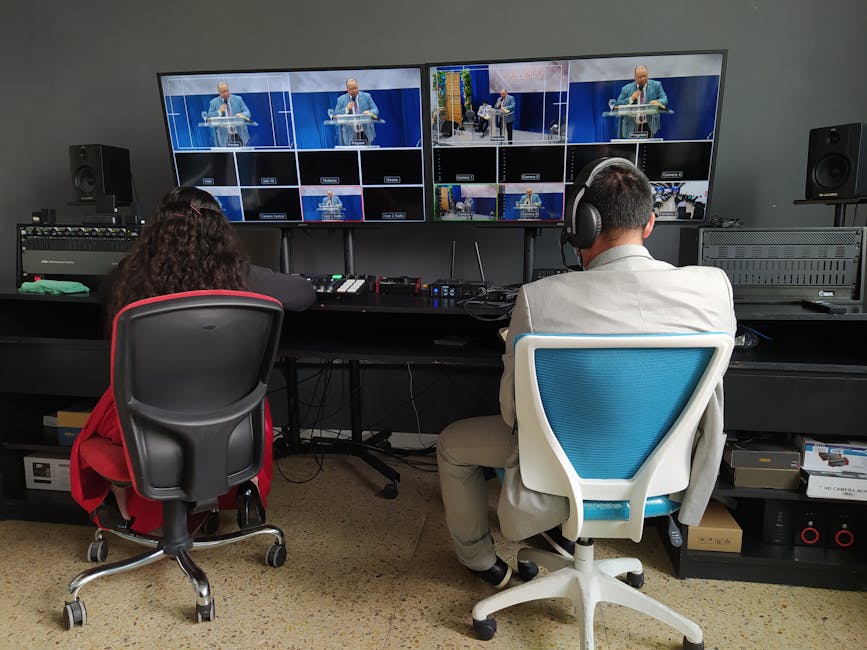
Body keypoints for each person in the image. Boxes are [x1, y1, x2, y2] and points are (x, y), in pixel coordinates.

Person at [436, 159, 736, 588]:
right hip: (660, 470)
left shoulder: (538, 299)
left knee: (451, 444)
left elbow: (511, 412)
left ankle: (484, 563)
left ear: (581, 227)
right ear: (650, 224)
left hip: (555, 467)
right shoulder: (713, 289)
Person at [73, 187, 315, 534]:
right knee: (249, 392)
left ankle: (123, 507)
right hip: (227, 419)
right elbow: (303, 294)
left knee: (110, 410)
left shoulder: (128, 277)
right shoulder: (241, 276)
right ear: (219, 233)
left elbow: (102, 292)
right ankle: (244, 487)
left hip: (146, 417)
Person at [614, 65, 668, 138]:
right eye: (640, 77)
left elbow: (664, 99)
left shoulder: (656, 85)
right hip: (631, 125)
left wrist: (658, 102)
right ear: (635, 77)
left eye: (645, 76)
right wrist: (631, 99)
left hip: (650, 124)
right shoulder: (626, 89)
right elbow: (618, 104)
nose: (643, 79)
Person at [334, 78, 379, 146]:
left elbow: (376, 110)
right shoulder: (341, 99)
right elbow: (336, 114)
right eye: (351, 89)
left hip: (366, 132)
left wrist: (370, 112)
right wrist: (346, 109)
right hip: (350, 134)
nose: (354, 90)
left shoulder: (367, 97)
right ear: (347, 89)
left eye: (355, 88)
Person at [206, 81, 252, 147]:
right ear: (219, 92)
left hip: (240, 134)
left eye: (227, 91)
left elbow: (248, 113)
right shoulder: (214, 102)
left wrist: (243, 115)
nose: (225, 93)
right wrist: (219, 111)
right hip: (225, 136)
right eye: (222, 92)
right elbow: (209, 118)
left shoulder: (238, 99)